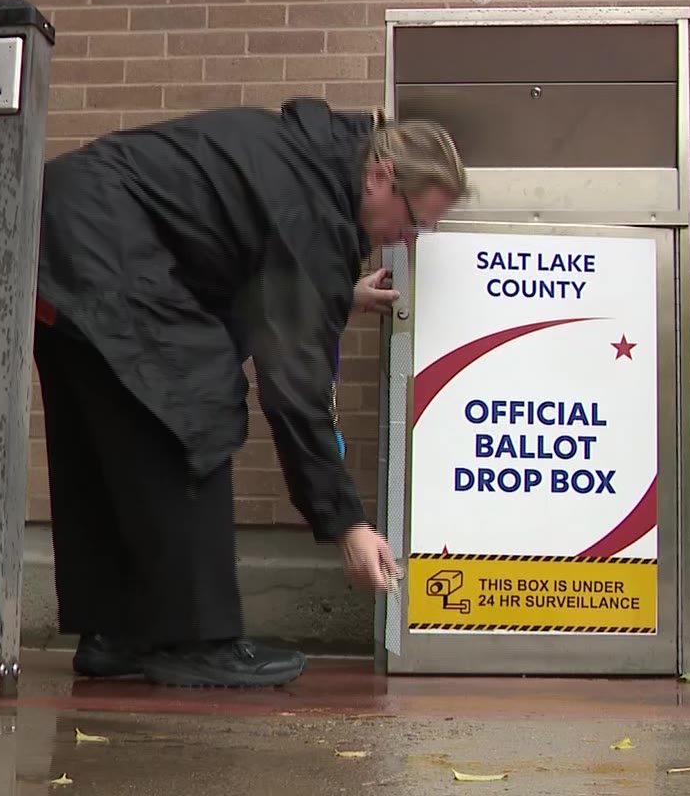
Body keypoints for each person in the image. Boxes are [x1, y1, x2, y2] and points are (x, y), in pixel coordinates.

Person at [31, 98, 464, 688]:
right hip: (100, 248)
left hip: (59, 232)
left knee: (112, 437)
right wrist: (347, 522)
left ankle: (113, 634)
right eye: (413, 221)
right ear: (380, 177)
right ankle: (196, 641)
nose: (410, 240)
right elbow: (295, 391)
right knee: (197, 407)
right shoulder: (312, 211)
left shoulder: (304, 162)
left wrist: (334, 294)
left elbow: (244, 265)